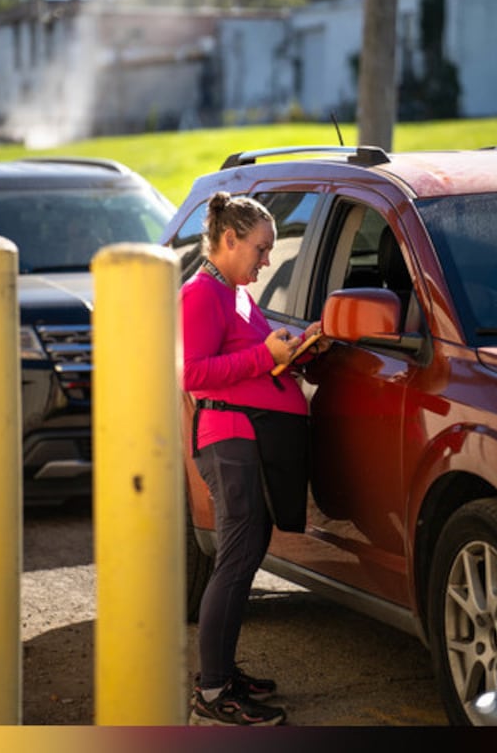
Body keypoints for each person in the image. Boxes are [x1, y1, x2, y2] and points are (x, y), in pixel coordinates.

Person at [180, 191, 324, 727]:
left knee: (245, 555)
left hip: (250, 436)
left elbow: (254, 363)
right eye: (262, 249)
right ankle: (214, 695)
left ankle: (223, 673)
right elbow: (194, 374)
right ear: (229, 239)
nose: (268, 260)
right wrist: (268, 355)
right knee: (236, 559)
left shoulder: (236, 294)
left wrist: (298, 353)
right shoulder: (201, 293)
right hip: (229, 436)